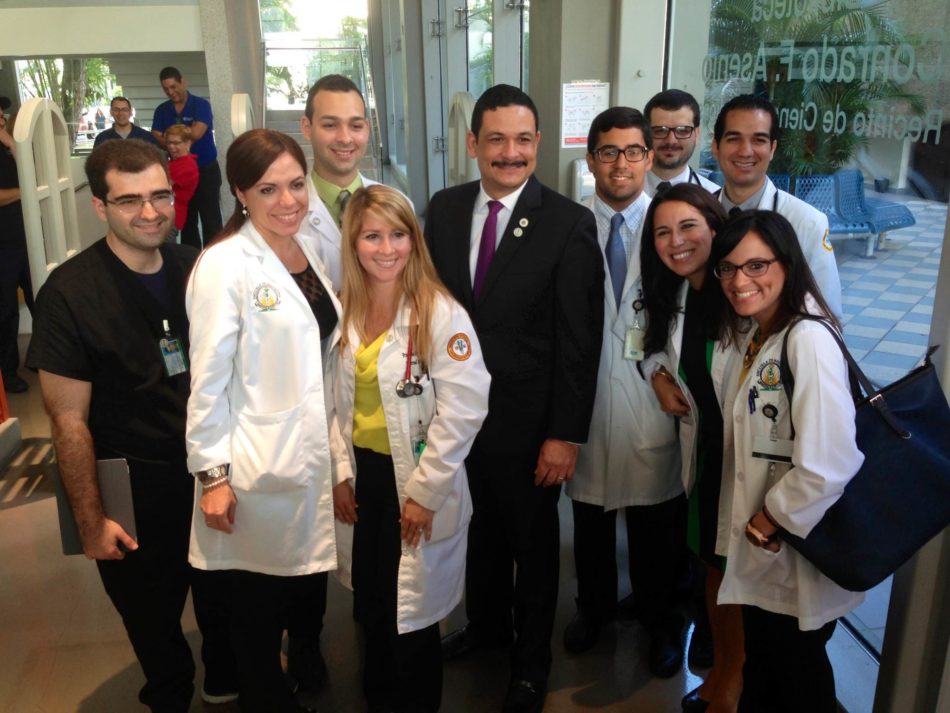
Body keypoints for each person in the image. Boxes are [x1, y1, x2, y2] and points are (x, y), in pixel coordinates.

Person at [25, 138, 236, 712]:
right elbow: (68, 421)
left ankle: (224, 679)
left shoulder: (197, 268)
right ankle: (169, 695)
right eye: (129, 200)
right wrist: (90, 521)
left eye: (160, 195)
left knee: (223, 596)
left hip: (209, 470)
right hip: (132, 482)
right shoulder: (70, 293)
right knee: (151, 616)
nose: (150, 212)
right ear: (100, 206)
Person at [426, 83, 604, 713]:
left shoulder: (568, 223)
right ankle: (486, 629)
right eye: (497, 139)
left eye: (523, 140)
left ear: (538, 143)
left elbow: (580, 343)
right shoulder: (444, 210)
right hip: (456, 420)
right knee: (476, 533)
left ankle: (530, 665)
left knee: (532, 547)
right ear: (473, 143)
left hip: (530, 428)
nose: (510, 152)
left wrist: (565, 434)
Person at [185, 128, 339, 713]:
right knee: (256, 602)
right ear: (240, 192)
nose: (288, 200)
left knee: (302, 580)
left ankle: (303, 663)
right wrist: (212, 476)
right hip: (253, 462)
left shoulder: (305, 249)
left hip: (308, 451)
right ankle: (266, 699)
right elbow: (207, 381)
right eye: (268, 189)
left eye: (297, 184)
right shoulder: (224, 264)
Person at [330, 184, 490, 713]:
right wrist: (339, 474)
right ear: (353, 243)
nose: (386, 248)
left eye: (398, 235)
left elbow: (464, 410)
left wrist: (425, 493)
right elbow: (332, 405)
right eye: (371, 236)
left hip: (416, 480)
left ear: (414, 240)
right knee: (373, 605)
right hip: (365, 480)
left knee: (412, 616)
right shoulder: (345, 309)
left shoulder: (439, 313)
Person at [709, 210, 864, 713]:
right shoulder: (764, 330)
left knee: (797, 681)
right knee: (768, 671)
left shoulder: (807, 338)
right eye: (728, 268)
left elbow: (830, 462)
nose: (739, 281)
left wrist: (766, 522)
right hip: (774, 552)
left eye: (756, 265)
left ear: (788, 263)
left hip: (792, 547)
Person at [564, 106, 686, 677]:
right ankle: (594, 611)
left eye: (633, 151)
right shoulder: (567, 228)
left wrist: (661, 370)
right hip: (585, 401)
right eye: (608, 151)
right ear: (590, 160)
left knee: (656, 526)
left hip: (652, 400)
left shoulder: (673, 228)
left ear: (649, 157)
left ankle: (662, 624)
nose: (621, 163)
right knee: (588, 519)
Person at [640, 183, 743, 713]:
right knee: (712, 567)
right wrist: (658, 377)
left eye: (687, 227)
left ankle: (734, 682)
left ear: (715, 226)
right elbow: (654, 348)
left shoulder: (741, 293)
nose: (675, 241)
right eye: (663, 232)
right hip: (705, 455)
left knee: (737, 577)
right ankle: (723, 672)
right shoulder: (678, 291)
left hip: (746, 462)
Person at [711, 94, 842, 320]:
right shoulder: (700, 216)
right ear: (716, 147)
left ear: (772, 149)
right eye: (733, 138)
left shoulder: (806, 222)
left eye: (758, 140)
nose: (745, 151)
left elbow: (827, 313)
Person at [298, 74, 382, 292]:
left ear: (367, 128)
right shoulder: (286, 213)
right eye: (330, 125)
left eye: (355, 126)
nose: (345, 138)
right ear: (307, 127)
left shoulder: (399, 203)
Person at [152, 66, 222, 249]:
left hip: (205, 169)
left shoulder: (201, 105)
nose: (170, 92)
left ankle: (214, 258)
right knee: (186, 220)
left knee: (211, 218)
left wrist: (169, 136)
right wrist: (178, 138)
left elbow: (197, 133)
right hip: (179, 170)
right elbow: (155, 134)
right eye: (166, 89)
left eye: (173, 87)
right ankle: (190, 260)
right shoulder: (162, 110)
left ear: (183, 82)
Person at [0, 99, 33, 394]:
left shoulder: (10, 148)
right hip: (3, 246)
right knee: (6, 310)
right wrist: (24, 192)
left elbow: (35, 171)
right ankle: (8, 372)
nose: (1, 118)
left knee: (42, 298)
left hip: (28, 239)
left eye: (2, 113)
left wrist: (10, 142)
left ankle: (41, 357)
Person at [643, 89, 720, 195]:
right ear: (645, 134)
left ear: (697, 135)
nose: (671, 141)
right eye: (660, 130)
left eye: (682, 130)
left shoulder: (713, 198)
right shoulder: (622, 192)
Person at [164, 125, 199, 238]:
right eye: (169, 142)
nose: (171, 146)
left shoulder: (187, 165)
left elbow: (162, 186)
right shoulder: (175, 162)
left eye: (176, 143)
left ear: (188, 143)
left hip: (171, 217)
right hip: (166, 214)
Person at [94, 96, 160, 148]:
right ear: (111, 112)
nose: (120, 113)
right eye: (116, 109)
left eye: (124, 109)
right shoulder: (102, 139)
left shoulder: (146, 137)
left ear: (130, 112)